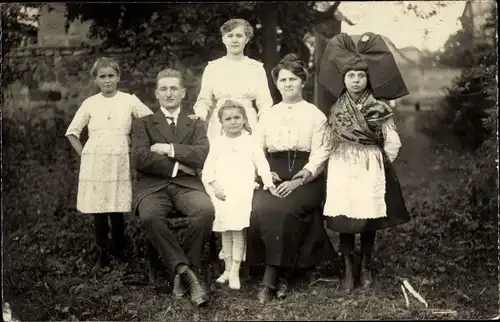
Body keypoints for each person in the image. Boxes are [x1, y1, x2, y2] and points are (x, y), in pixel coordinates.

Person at [318, 32, 411, 293]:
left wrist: (381, 162)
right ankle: (348, 268)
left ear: (368, 78)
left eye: (361, 76)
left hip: (370, 165)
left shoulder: (378, 107)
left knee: (368, 217)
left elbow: (393, 141)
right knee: (345, 217)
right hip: (342, 165)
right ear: (343, 80)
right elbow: (328, 141)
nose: (356, 80)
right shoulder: (336, 108)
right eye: (351, 76)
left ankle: (366, 266)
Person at [246, 54, 334, 303]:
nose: (287, 84)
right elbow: (255, 148)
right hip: (272, 172)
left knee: (285, 210)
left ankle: (269, 281)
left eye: (292, 79)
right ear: (276, 84)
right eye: (282, 80)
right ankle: (283, 274)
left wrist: (299, 180)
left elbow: (322, 151)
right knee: (260, 206)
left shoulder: (315, 115)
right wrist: (265, 173)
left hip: (306, 177)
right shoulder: (268, 115)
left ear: (302, 81)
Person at [131, 68, 214, 307]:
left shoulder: (195, 122)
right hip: (153, 188)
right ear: (157, 94)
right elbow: (140, 157)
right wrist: (178, 168)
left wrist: (168, 149)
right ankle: (188, 273)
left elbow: (200, 155)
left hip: (188, 186)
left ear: (183, 93)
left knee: (205, 212)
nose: (169, 94)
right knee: (150, 216)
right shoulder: (143, 123)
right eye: (164, 89)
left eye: (174, 89)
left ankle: (183, 271)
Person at [65, 57, 153, 271]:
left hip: (119, 157)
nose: (107, 81)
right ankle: (102, 255)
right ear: (96, 79)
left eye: (111, 76)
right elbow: (72, 132)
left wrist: (136, 140)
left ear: (118, 77)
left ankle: (120, 252)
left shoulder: (129, 100)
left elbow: (150, 120)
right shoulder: (90, 103)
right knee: (99, 208)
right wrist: (84, 153)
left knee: (117, 206)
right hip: (95, 159)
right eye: (102, 77)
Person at [202, 100, 276, 290]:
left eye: (237, 117)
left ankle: (235, 270)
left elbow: (262, 165)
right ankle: (226, 269)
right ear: (221, 122)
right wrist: (215, 186)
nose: (233, 122)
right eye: (228, 119)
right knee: (225, 231)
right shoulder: (217, 143)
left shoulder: (250, 142)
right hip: (222, 193)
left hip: (242, 192)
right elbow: (208, 170)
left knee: (238, 231)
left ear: (244, 119)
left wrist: (268, 183)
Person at [193, 18, 273, 143]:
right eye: (230, 36)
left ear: (246, 39)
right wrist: (200, 115)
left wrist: (263, 127)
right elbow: (204, 100)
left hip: (248, 122)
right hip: (220, 123)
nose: (234, 40)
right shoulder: (213, 67)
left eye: (239, 36)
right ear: (223, 39)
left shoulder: (256, 68)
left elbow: (265, 103)